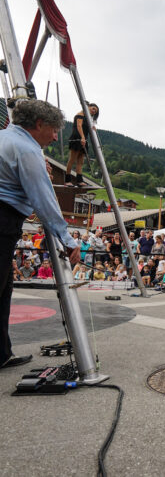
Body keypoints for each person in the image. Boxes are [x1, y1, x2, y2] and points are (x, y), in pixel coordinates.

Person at [0, 100, 80, 369]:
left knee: (4, 289)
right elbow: (44, 201)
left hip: (6, 219)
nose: (56, 136)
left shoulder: (5, 138)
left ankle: (1, 353)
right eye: (54, 130)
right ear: (38, 124)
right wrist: (67, 240)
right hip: (2, 220)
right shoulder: (26, 149)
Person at [64, 103, 99, 187]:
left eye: (95, 111)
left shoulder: (88, 119)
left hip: (83, 139)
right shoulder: (80, 114)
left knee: (81, 161)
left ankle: (79, 181)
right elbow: (79, 126)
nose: (94, 111)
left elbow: (86, 128)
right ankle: (67, 180)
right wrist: (82, 137)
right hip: (77, 138)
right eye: (93, 108)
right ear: (88, 107)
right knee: (72, 159)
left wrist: (92, 128)